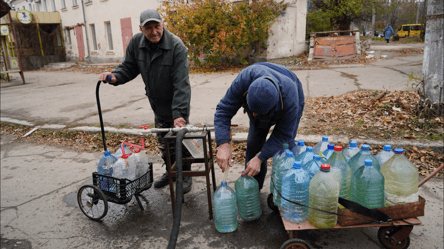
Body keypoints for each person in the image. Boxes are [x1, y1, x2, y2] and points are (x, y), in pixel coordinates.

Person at [98, 9, 193, 193]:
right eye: (148, 28)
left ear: (162, 24)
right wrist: (115, 77)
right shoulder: (136, 43)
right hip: (157, 104)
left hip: (176, 103)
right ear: (141, 28)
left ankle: (185, 175)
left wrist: (179, 114)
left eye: (157, 26)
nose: (154, 31)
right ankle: (171, 172)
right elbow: (128, 67)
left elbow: (181, 84)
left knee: (179, 141)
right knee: (163, 141)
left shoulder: (176, 46)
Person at [214, 62, 305, 190]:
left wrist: (261, 157)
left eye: (259, 113)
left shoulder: (290, 99)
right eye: (252, 110)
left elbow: (283, 134)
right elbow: (223, 110)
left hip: (290, 88)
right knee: (254, 143)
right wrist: (222, 143)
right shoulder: (244, 80)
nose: (254, 115)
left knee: (286, 149)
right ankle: (253, 189)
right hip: (260, 84)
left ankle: (287, 192)